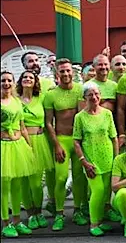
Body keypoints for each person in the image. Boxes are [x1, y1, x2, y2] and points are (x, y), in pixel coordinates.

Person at [43, 58, 88, 230]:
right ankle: (59, 213)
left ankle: (77, 211)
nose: (66, 74)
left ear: (73, 72)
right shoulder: (51, 95)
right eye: (62, 71)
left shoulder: (79, 90)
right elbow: (49, 122)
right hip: (61, 139)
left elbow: (82, 116)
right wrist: (56, 145)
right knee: (61, 178)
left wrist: (81, 142)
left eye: (68, 70)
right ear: (57, 74)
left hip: (76, 140)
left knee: (78, 177)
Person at [73, 82, 119, 236]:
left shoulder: (107, 113)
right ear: (84, 97)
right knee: (97, 191)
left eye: (97, 94)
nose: (94, 97)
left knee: (106, 193)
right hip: (91, 161)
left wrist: (116, 159)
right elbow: (76, 141)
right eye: (90, 94)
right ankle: (93, 224)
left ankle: (100, 221)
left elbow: (114, 137)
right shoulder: (80, 117)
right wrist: (83, 161)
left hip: (108, 158)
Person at [1, 71, 36, 238]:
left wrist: (29, 147)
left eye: (9, 80)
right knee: (4, 187)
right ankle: (5, 222)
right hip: (3, 147)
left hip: (17, 146)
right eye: (3, 80)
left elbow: (22, 127)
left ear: (14, 83)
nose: (6, 83)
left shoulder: (16, 101)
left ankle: (17, 220)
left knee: (16, 187)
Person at [17, 71, 53, 230]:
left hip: (39, 141)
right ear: (20, 81)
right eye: (25, 77)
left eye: (31, 78)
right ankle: (30, 214)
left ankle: (39, 211)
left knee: (37, 183)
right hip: (22, 142)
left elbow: (49, 119)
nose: (27, 80)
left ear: (35, 82)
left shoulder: (42, 98)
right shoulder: (15, 101)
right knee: (24, 182)